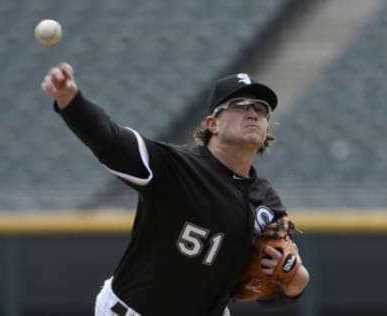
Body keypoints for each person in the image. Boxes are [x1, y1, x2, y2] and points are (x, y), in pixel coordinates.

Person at [41, 63, 309, 316]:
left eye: (262, 109)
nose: (253, 113)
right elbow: (110, 141)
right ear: (211, 124)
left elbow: (272, 293)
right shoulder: (176, 169)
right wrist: (71, 101)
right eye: (240, 105)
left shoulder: (265, 199)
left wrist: (296, 280)